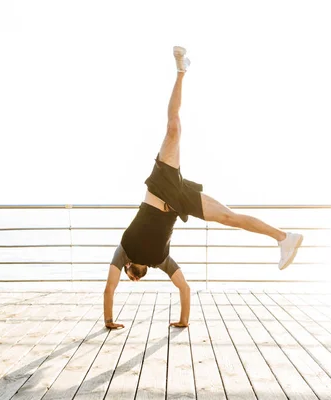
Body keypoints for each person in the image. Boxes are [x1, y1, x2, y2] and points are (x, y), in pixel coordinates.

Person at [103, 46, 303, 329]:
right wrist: (183, 322)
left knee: (173, 127)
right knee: (230, 218)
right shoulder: (160, 261)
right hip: (179, 201)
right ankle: (285, 237)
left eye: (129, 276)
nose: (132, 277)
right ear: (143, 271)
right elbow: (184, 289)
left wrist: (109, 320)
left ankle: (180, 70)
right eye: (136, 277)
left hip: (162, 186)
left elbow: (109, 288)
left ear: (127, 269)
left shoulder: (124, 251)